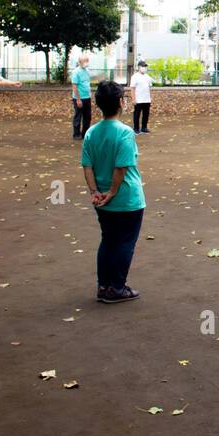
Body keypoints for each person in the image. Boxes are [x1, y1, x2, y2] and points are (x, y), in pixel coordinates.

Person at [81, 80, 146, 303]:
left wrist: (95, 191)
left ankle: (103, 285)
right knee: (125, 242)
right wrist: (112, 191)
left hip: (102, 200)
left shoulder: (91, 132)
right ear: (120, 102)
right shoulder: (125, 133)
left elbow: (86, 165)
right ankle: (117, 287)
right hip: (126, 198)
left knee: (108, 240)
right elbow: (121, 167)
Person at [71, 53, 93, 139]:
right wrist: (78, 99)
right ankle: (76, 134)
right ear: (80, 62)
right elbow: (74, 86)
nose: (87, 62)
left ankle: (85, 133)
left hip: (87, 97)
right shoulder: (76, 72)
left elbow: (87, 84)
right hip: (79, 98)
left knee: (87, 116)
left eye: (87, 61)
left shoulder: (87, 71)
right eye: (85, 61)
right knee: (78, 116)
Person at [128, 60, 153, 134]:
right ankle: (136, 128)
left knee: (146, 114)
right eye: (143, 66)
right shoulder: (135, 77)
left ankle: (144, 127)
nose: (144, 68)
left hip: (146, 99)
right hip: (138, 99)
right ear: (139, 67)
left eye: (145, 66)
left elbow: (149, 87)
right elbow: (132, 88)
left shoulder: (147, 77)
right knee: (137, 114)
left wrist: (150, 98)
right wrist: (133, 98)